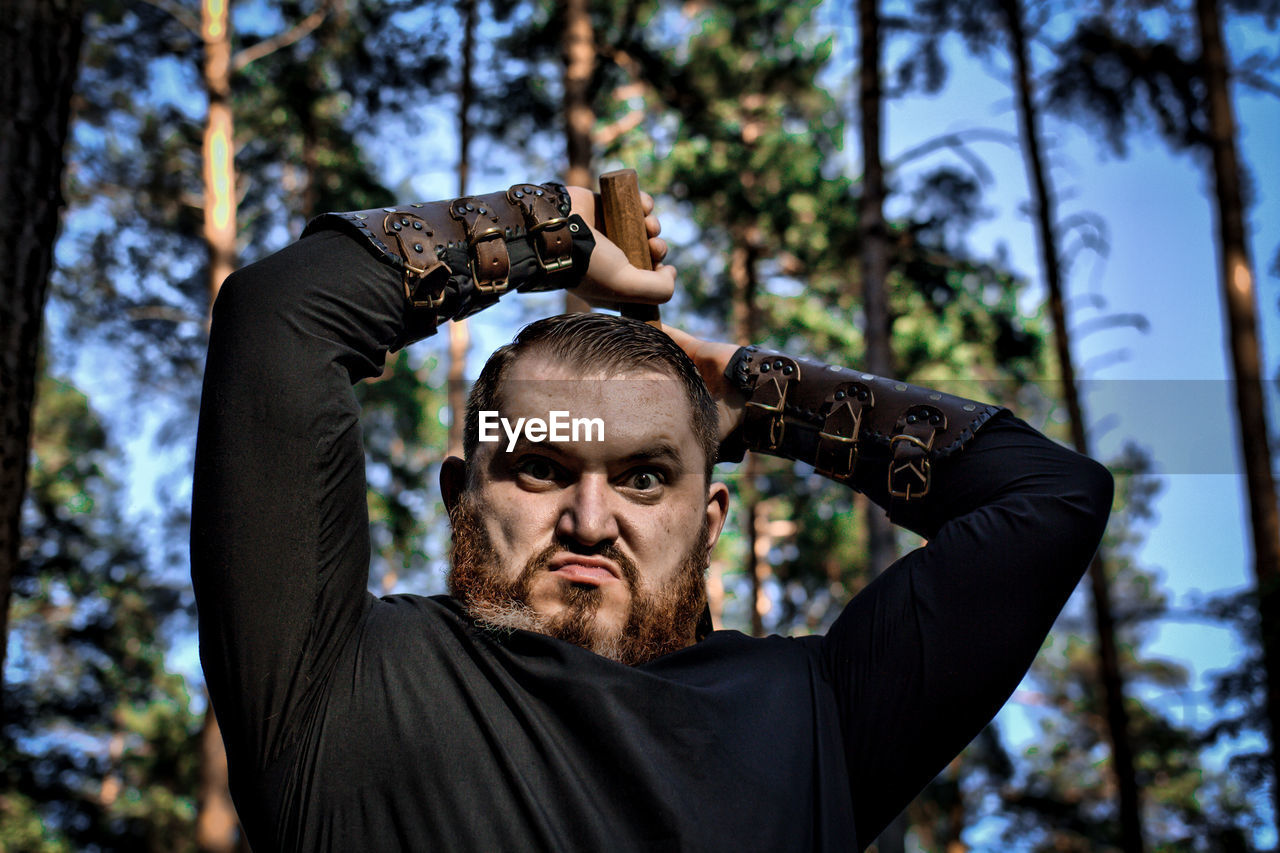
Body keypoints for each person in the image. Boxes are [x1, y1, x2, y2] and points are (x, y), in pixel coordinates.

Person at [191, 180, 1112, 852]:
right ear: (459, 495)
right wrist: (541, 226)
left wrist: (747, 387)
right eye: (542, 465)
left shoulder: (817, 717)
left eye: (643, 477)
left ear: (710, 521)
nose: (590, 519)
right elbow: (281, 316)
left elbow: (1048, 498)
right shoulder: (334, 681)